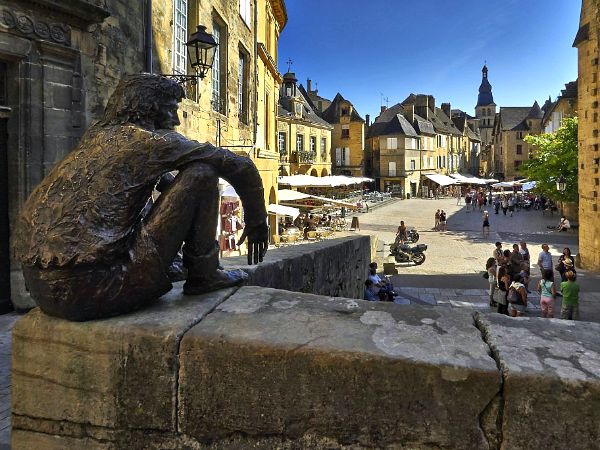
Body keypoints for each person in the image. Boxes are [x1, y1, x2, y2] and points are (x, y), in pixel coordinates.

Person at [12, 74, 269, 321]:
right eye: (172, 109)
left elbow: (160, 189)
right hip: (96, 289)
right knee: (202, 172)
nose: (177, 120)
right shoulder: (150, 140)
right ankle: (206, 274)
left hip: (42, 290)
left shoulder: (96, 138)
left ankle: (179, 267)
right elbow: (241, 166)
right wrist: (257, 222)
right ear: (153, 109)